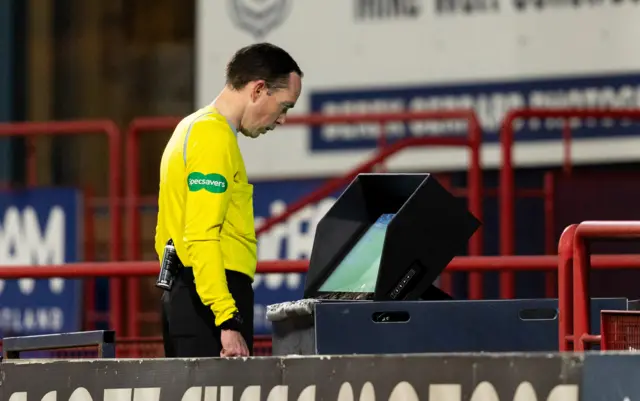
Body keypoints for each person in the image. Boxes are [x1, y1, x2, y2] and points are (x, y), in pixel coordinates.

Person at [154, 42, 303, 358]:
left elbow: (166, 236)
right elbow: (201, 235)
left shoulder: (189, 128)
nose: (282, 119)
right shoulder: (213, 138)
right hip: (209, 306)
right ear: (258, 90)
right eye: (285, 106)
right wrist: (226, 317)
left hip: (191, 295)